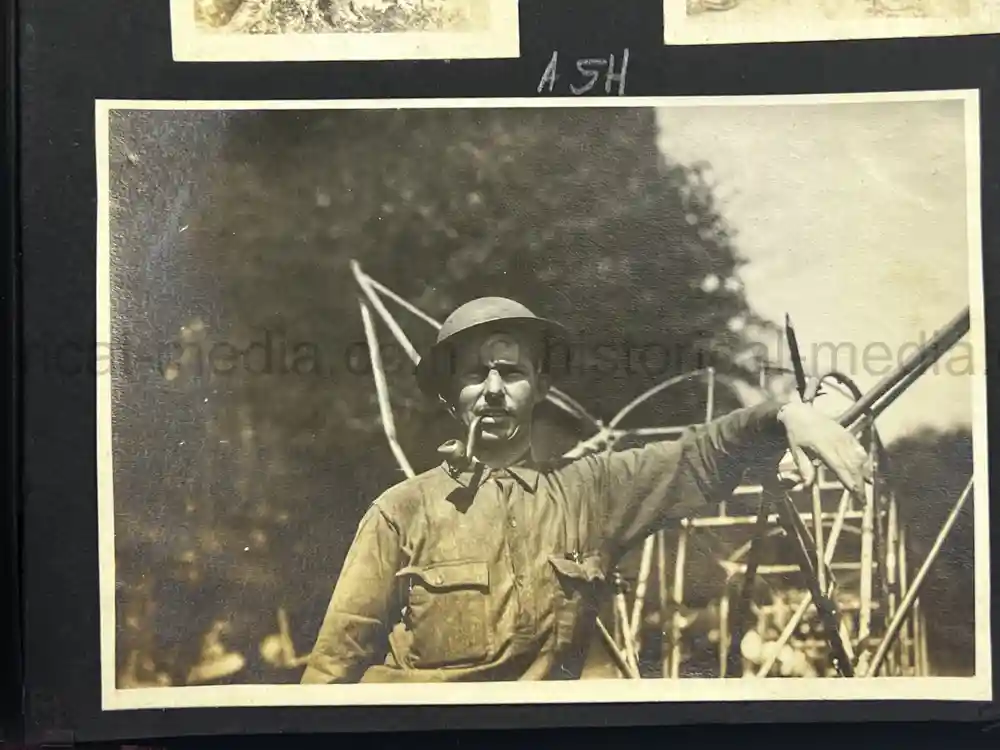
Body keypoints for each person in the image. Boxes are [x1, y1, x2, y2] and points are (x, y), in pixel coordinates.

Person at [301, 298, 871, 683]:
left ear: (540, 388)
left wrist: (785, 416)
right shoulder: (401, 511)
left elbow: (697, 455)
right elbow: (331, 669)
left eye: (511, 372)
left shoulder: (590, 492)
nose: (493, 390)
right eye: (475, 375)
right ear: (453, 397)